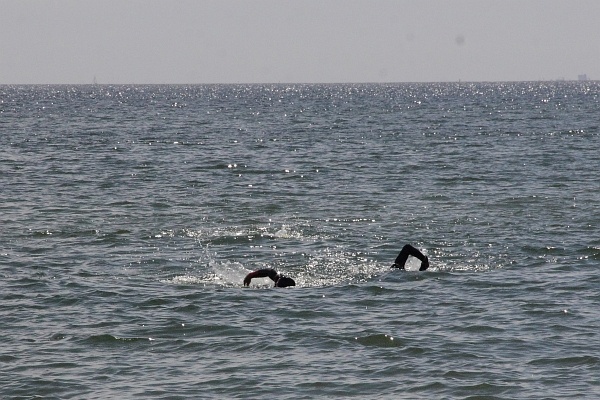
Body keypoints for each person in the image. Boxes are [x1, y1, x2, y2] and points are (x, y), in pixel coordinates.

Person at [243, 244, 429, 287]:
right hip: (385, 277)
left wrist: (251, 275)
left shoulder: (287, 287)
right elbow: (270, 272)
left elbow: (270, 272)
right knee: (402, 255)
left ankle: (424, 259)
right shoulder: (287, 283)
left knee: (402, 257)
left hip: (391, 279)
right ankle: (424, 259)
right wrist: (251, 275)